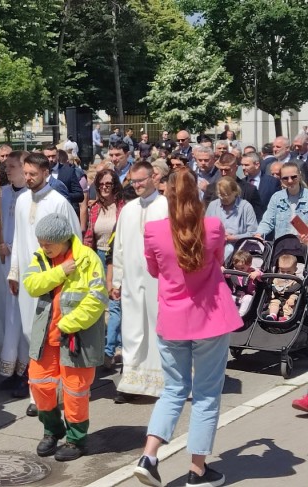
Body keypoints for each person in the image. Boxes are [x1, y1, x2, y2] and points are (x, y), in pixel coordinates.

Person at [133, 168, 241, 487]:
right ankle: (197, 471)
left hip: (173, 319)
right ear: (197, 195)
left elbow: (154, 271)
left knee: (174, 390)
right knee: (207, 394)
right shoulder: (213, 225)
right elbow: (219, 259)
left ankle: (149, 456)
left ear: (166, 194)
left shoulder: (153, 230)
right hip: (210, 317)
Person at [23, 213, 107, 461]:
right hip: (46, 336)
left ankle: (77, 440)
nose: (42, 247)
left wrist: (68, 324)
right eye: (40, 242)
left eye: (48, 243)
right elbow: (32, 285)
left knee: (75, 391)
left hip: (75, 337)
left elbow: (97, 299)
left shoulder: (88, 259)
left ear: (63, 240)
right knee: (39, 384)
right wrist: (60, 271)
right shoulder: (42, 257)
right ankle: (52, 431)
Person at [8, 152, 81, 414]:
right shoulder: (21, 200)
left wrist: (67, 275)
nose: (27, 179)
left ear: (45, 173)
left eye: (32, 174)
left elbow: (75, 240)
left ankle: (54, 393)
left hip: (54, 279)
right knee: (30, 335)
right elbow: (17, 237)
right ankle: (36, 392)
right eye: (25, 174)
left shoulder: (59, 202)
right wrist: (14, 272)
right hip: (30, 280)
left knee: (50, 338)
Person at [112, 161, 168, 404]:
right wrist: (116, 280)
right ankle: (131, 382)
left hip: (160, 279)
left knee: (159, 327)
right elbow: (119, 247)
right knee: (132, 329)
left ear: (153, 178)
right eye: (133, 181)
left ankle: (163, 382)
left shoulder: (166, 205)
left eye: (141, 180)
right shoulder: (128, 209)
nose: (136, 185)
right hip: (132, 278)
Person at [0, 151, 29, 382]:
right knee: (5, 316)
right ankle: (10, 366)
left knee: (20, 317)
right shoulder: (1, 193)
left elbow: (31, 234)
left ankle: (24, 370)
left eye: (12, 166)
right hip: (1, 263)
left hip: (21, 264)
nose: (7, 170)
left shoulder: (31, 196)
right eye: (6, 167)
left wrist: (11, 247)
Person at [84, 169, 125, 369]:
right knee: (98, 304)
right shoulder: (94, 208)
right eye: (101, 184)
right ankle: (103, 346)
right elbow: (89, 236)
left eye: (108, 184)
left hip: (116, 257)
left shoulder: (123, 207)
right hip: (97, 256)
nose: (104, 187)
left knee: (115, 304)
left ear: (115, 185)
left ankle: (109, 351)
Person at [205, 177, 258, 260]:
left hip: (239, 251)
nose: (222, 198)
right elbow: (205, 228)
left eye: (225, 195)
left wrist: (234, 237)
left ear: (234, 192)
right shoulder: (213, 205)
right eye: (220, 194)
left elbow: (253, 233)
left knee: (229, 249)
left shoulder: (245, 206)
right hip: (215, 248)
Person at [256, 162, 308, 241]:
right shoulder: (277, 197)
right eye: (285, 178)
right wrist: (259, 234)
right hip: (282, 247)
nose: (290, 181)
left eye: (294, 177)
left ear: (300, 175)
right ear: (281, 179)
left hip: (304, 246)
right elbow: (267, 221)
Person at [42, 143, 85, 211]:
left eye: (53, 156)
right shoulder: (39, 172)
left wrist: (63, 195)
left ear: (58, 155)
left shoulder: (68, 171)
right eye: (48, 156)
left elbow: (79, 195)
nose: (51, 159)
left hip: (64, 211)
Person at [265, 254, 301, 321]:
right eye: (282, 271)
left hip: (289, 297)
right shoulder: (277, 278)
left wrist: (292, 299)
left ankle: (286, 317)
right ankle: (273, 315)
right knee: (274, 303)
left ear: (295, 269)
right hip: (278, 296)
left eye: (288, 272)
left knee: (288, 306)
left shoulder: (295, 280)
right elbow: (273, 285)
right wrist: (272, 294)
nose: (285, 274)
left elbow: (297, 292)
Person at [225, 250, 261, 316]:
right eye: (236, 267)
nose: (239, 270)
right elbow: (224, 274)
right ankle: (229, 313)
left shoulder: (252, 271)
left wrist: (257, 274)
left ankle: (240, 315)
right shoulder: (232, 272)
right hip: (236, 295)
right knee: (227, 297)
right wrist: (222, 269)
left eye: (242, 268)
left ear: (249, 265)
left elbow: (261, 275)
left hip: (247, 296)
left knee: (248, 298)